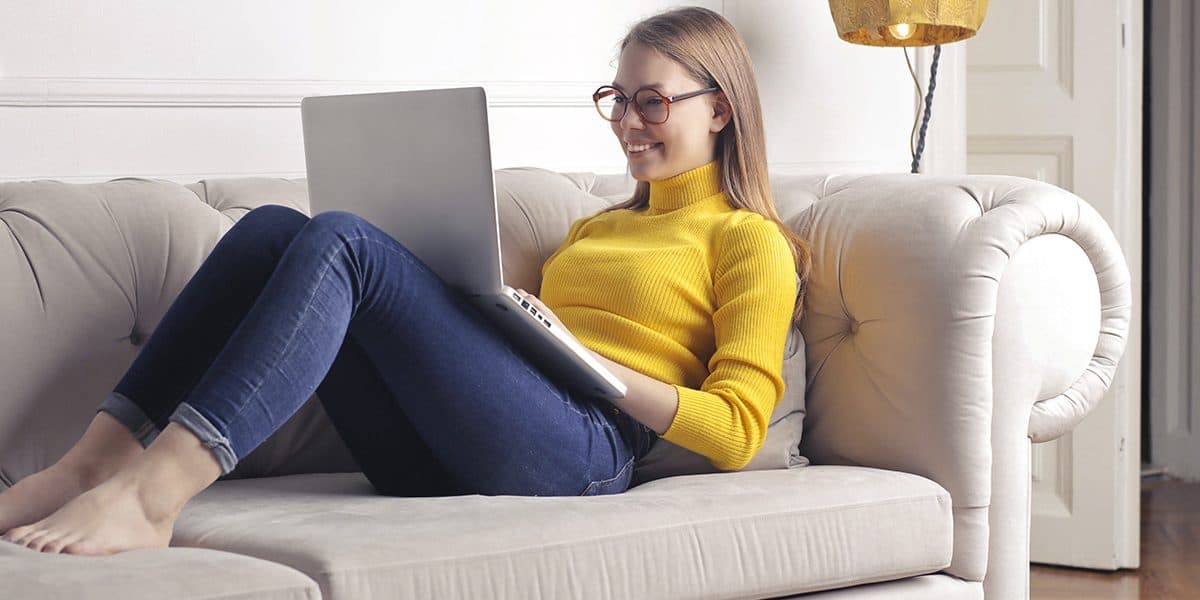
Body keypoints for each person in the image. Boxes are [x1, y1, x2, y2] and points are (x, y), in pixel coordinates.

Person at [0, 5, 811, 556]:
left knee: (347, 242)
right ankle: (88, 466)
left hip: (586, 453)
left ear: (720, 108)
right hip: (449, 450)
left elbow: (737, 429)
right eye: (616, 100)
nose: (629, 123)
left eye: (651, 102)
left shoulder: (750, 241)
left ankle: (156, 495)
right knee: (275, 229)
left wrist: (597, 368)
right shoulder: (599, 225)